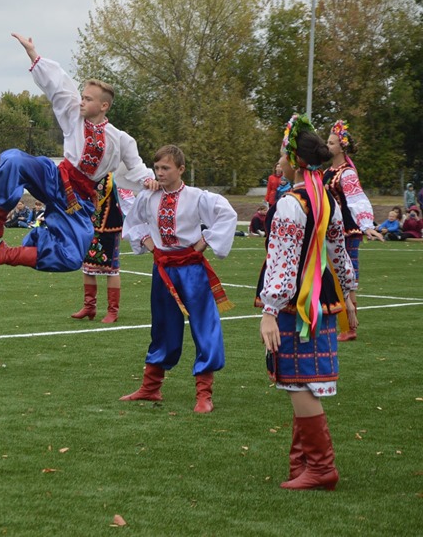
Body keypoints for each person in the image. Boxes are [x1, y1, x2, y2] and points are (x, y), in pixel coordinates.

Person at [0, 33, 156, 274]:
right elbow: (57, 85)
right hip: (55, 178)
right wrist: (33, 54)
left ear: (104, 106)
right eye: (83, 97)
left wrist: (148, 180)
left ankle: (8, 253)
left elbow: (136, 167)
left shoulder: (121, 139)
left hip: (78, 201)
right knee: (13, 159)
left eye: (88, 99)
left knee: (71, 258)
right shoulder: (73, 114)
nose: (82, 102)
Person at [257, 114, 356, 491]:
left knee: (299, 383)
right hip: (321, 296)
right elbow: (339, 253)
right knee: (303, 381)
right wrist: (349, 293)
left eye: (282, 153)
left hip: (297, 302)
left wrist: (269, 310)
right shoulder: (325, 197)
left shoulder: (289, 203)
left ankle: (320, 467)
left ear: (294, 160)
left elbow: (282, 263)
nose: (278, 160)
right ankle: (302, 463)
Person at [120, 145, 237, 413]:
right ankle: (151, 387)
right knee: (163, 325)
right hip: (163, 268)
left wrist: (205, 240)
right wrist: (147, 241)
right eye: (157, 168)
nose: (159, 173)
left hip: (192, 270)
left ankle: (204, 393)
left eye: (166, 168)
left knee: (204, 326)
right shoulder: (148, 196)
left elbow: (227, 214)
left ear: (181, 169)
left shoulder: (197, 197)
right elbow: (134, 220)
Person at [323, 120, 382, 340]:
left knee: (348, 273)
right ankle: (344, 323)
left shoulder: (346, 173)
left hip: (347, 229)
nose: (327, 146)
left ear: (341, 146)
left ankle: (350, 326)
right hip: (332, 229)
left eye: (331, 143)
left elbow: (357, 200)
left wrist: (367, 226)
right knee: (336, 273)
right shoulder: (329, 171)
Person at [71, 174, 125, 323]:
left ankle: (112, 310)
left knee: (112, 269)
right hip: (90, 224)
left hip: (110, 224)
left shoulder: (116, 172)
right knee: (87, 266)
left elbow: (126, 197)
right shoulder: (88, 172)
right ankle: (89, 306)